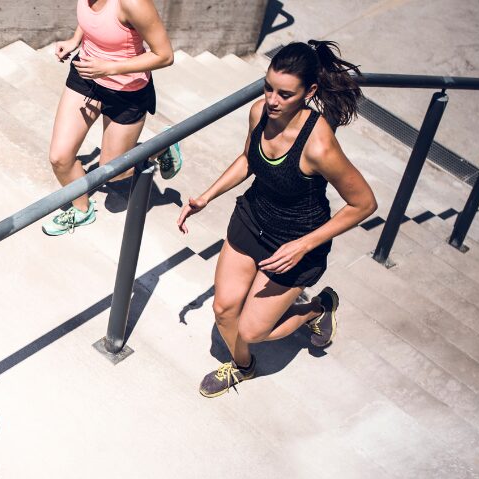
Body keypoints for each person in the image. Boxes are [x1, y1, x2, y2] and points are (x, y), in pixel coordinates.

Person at [176, 40, 377, 398]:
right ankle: (243, 368)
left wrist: (304, 244)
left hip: (295, 242)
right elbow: (248, 160)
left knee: (251, 331)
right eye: (268, 87)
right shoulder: (259, 113)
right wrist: (207, 196)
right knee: (223, 310)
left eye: (284, 94)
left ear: (309, 91)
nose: (272, 100)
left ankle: (318, 308)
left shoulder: (319, 146)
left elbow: (363, 204)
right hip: (252, 219)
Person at [44, 0, 182, 236]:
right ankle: (81, 210)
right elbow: (94, 21)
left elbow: (165, 56)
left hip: (127, 91)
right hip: (86, 76)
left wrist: (108, 68)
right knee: (60, 158)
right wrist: (75, 40)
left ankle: (161, 147)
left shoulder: (133, 4)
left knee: (114, 171)